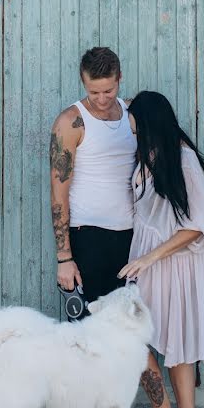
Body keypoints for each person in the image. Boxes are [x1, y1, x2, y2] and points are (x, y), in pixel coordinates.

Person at [118, 90, 204, 408]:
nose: (133, 135)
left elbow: (197, 226)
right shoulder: (150, 154)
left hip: (177, 265)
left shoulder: (184, 160)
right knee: (134, 338)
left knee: (179, 344)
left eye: (136, 129)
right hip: (148, 263)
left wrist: (149, 258)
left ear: (150, 126)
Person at [49, 46, 136, 310]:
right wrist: (65, 257)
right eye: (93, 92)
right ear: (83, 82)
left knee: (133, 329)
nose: (101, 99)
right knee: (96, 332)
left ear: (119, 78)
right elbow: (58, 193)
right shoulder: (70, 121)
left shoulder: (133, 113)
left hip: (135, 237)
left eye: (108, 91)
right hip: (90, 237)